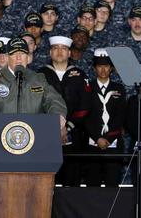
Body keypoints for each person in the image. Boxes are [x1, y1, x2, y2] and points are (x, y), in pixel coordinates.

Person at [0, 37, 67, 121]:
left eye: (22, 54)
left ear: (28, 58)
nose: (19, 58)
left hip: (33, 134)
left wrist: (58, 115)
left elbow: (54, 100)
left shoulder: (38, 78)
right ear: (7, 57)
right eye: (14, 54)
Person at [38, 35, 92, 186]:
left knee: (72, 178)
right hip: (46, 134)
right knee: (47, 180)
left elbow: (85, 105)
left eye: (64, 49)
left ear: (70, 53)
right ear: (50, 53)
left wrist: (67, 127)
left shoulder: (80, 75)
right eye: (55, 48)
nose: (60, 52)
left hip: (73, 135)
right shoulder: (39, 74)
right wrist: (53, 127)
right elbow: (36, 104)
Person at [83, 48, 126, 187]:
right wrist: (97, 138)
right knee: (92, 183)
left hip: (112, 142)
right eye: (99, 66)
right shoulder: (87, 87)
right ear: (95, 68)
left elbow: (120, 116)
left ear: (111, 68)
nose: (103, 69)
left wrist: (107, 138)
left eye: (106, 66)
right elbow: (85, 116)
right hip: (92, 142)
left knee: (112, 183)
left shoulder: (119, 88)